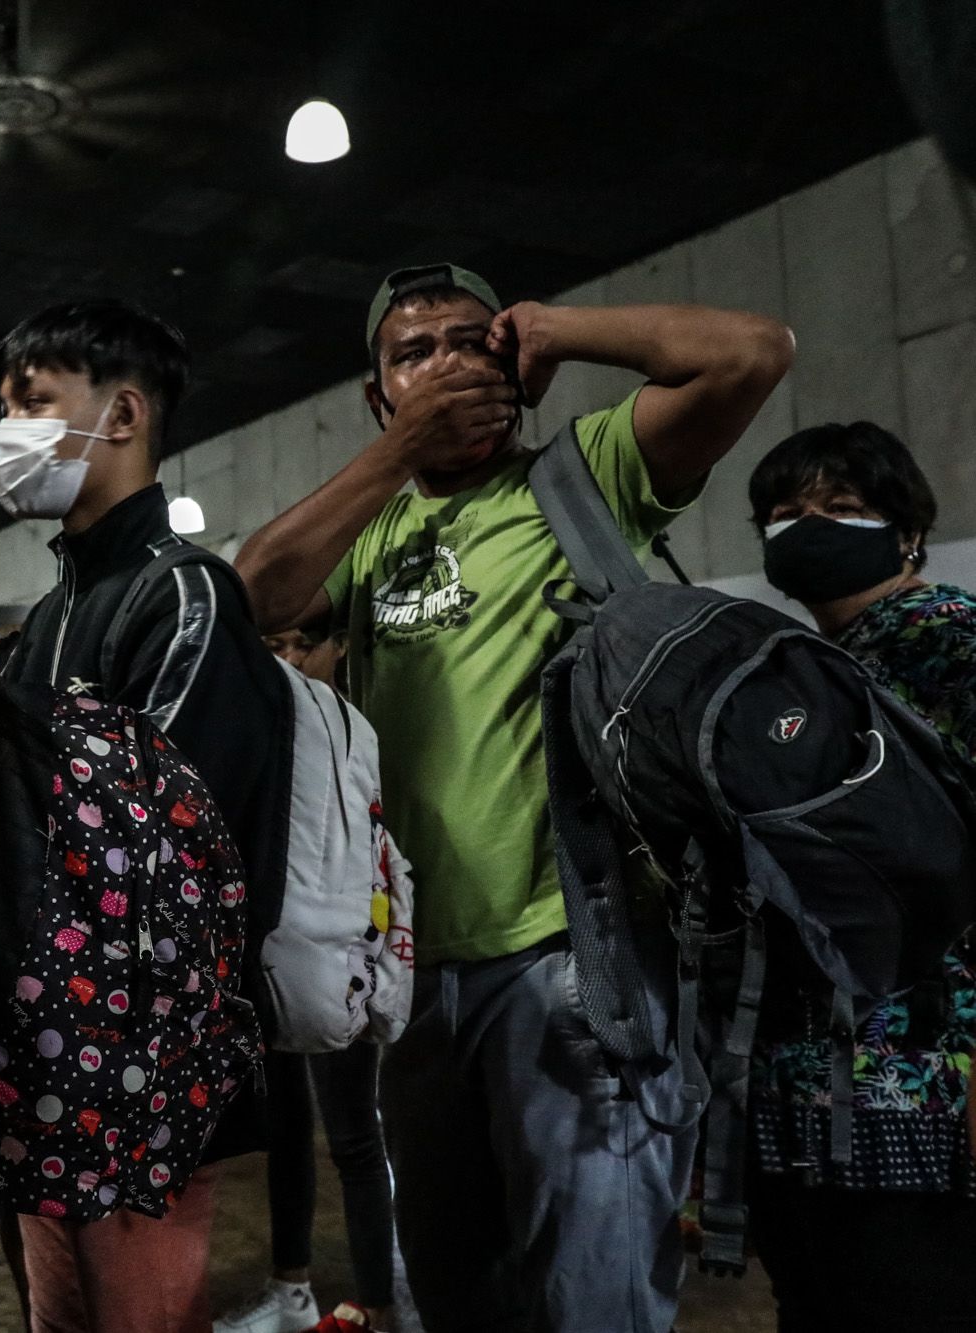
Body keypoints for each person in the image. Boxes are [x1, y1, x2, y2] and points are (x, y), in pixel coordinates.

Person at [234, 263, 793, 1332]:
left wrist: (562, 329)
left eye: (468, 341)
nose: (444, 363)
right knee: (454, 1291)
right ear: (376, 394)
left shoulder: (584, 475)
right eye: (412, 353)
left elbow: (752, 352)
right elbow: (256, 592)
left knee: (589, 1298)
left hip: (575, 961)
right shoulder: (380, 531)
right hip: (416, 983)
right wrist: (400, 451)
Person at [0, 299, 291, 1333]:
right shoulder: (48, 620)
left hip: (143, 1073)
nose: (9, 430)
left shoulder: (185, 600)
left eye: (32, 402)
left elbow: (181, 866)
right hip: (49, 1061)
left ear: (121, 414)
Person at [743, 421, 976, 1329]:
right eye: (785, 512)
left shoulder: (947, 639)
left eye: (841, 508)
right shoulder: (807, 668)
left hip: (924, 1088)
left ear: (906, 531)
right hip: (806, 1090)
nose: (809, 526)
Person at [217, 631, 396, 1333]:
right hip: (274, 953)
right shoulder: (262, 720)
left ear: (339, 644)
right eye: (271, 643)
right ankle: (292, 1291)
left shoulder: (356, 726)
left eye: (301, 643)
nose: (286, 658)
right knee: (287, 1124)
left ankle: (377, 1304)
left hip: (344, 951)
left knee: (354, 1133)